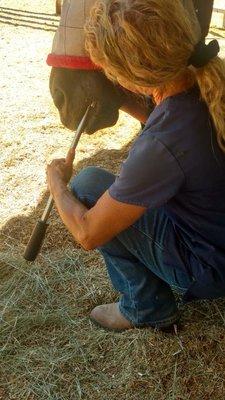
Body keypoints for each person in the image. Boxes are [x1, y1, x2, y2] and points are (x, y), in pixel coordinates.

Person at [47, 0, 225, 332]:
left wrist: (56, 183)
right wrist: (126, 100)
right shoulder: (208, 83)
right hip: (218, 236)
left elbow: (88, 232)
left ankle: (144, 305)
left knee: (86, 186)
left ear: (123, 74)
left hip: (211, 267)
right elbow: (178, 134)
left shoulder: (160, 144)